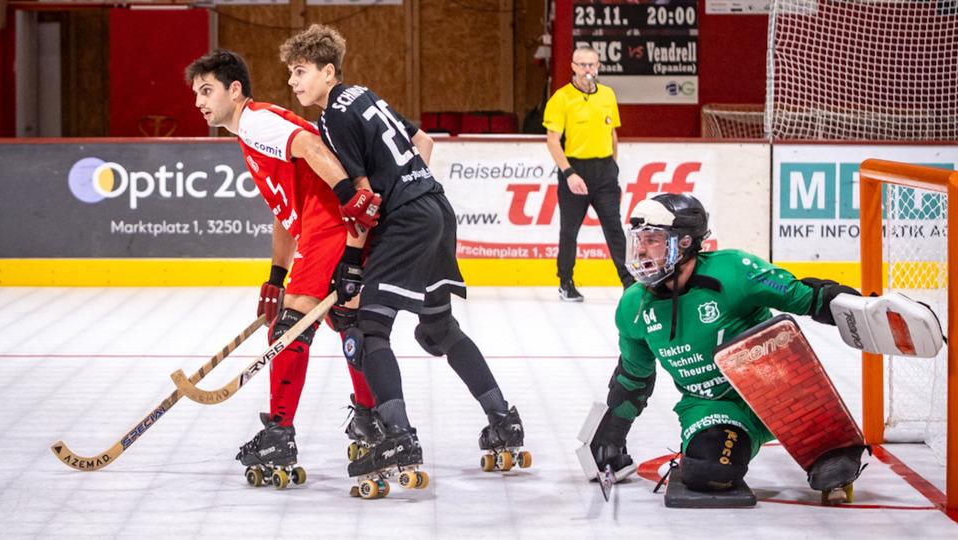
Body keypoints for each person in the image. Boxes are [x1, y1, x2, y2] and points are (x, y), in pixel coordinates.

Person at [279, 24, 528, 479]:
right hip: (436, 207)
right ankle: (504, 420)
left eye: (300, 71)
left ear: (328, 71)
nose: (293, 82)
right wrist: (408, 190)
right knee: (437, 330)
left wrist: (352, 262)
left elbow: (363, 196)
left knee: (367, 329)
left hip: (409, 221)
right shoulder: (364, 94)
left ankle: (398, 438)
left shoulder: (332, 116)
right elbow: (424, 143)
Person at [185, 49, 384, 480]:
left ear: (234, 90)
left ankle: (279, 433)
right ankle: (372, 417)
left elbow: (311, 145)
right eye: (196, 93)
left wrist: (349, 195)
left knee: (291, 324)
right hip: (325, 221)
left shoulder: (255, 122)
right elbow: (283, 212)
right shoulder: (250, 134)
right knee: (347, 319)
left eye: (207, 90)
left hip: (330, 218)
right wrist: (276, 275)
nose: (199, 102)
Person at [588, 192, 868, 495]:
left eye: (652, 240)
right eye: (638, 240)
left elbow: (806, 297)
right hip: (712, 404)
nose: (641, 250)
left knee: (831, 461)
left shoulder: (735, 270)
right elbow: (634, 377)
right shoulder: (633, 307)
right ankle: (739, 436)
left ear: (683, 243)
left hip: (779, 390)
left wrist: (869, 315)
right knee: (709, 472)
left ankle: (825, 442)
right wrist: (612, 434)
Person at [543, 46, 634, 302]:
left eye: (591, 65)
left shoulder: (607, 95)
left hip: (604, 171)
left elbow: (612, 133)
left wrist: (613, 166)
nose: (587, 70)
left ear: (598, 66)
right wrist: (569, 173)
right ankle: (566, 281)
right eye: (582, 65)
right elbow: (552, 140)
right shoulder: (561, 99)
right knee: (569, 230)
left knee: (614, 227)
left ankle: (629, 282)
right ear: (573, 67)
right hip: (575, 170)